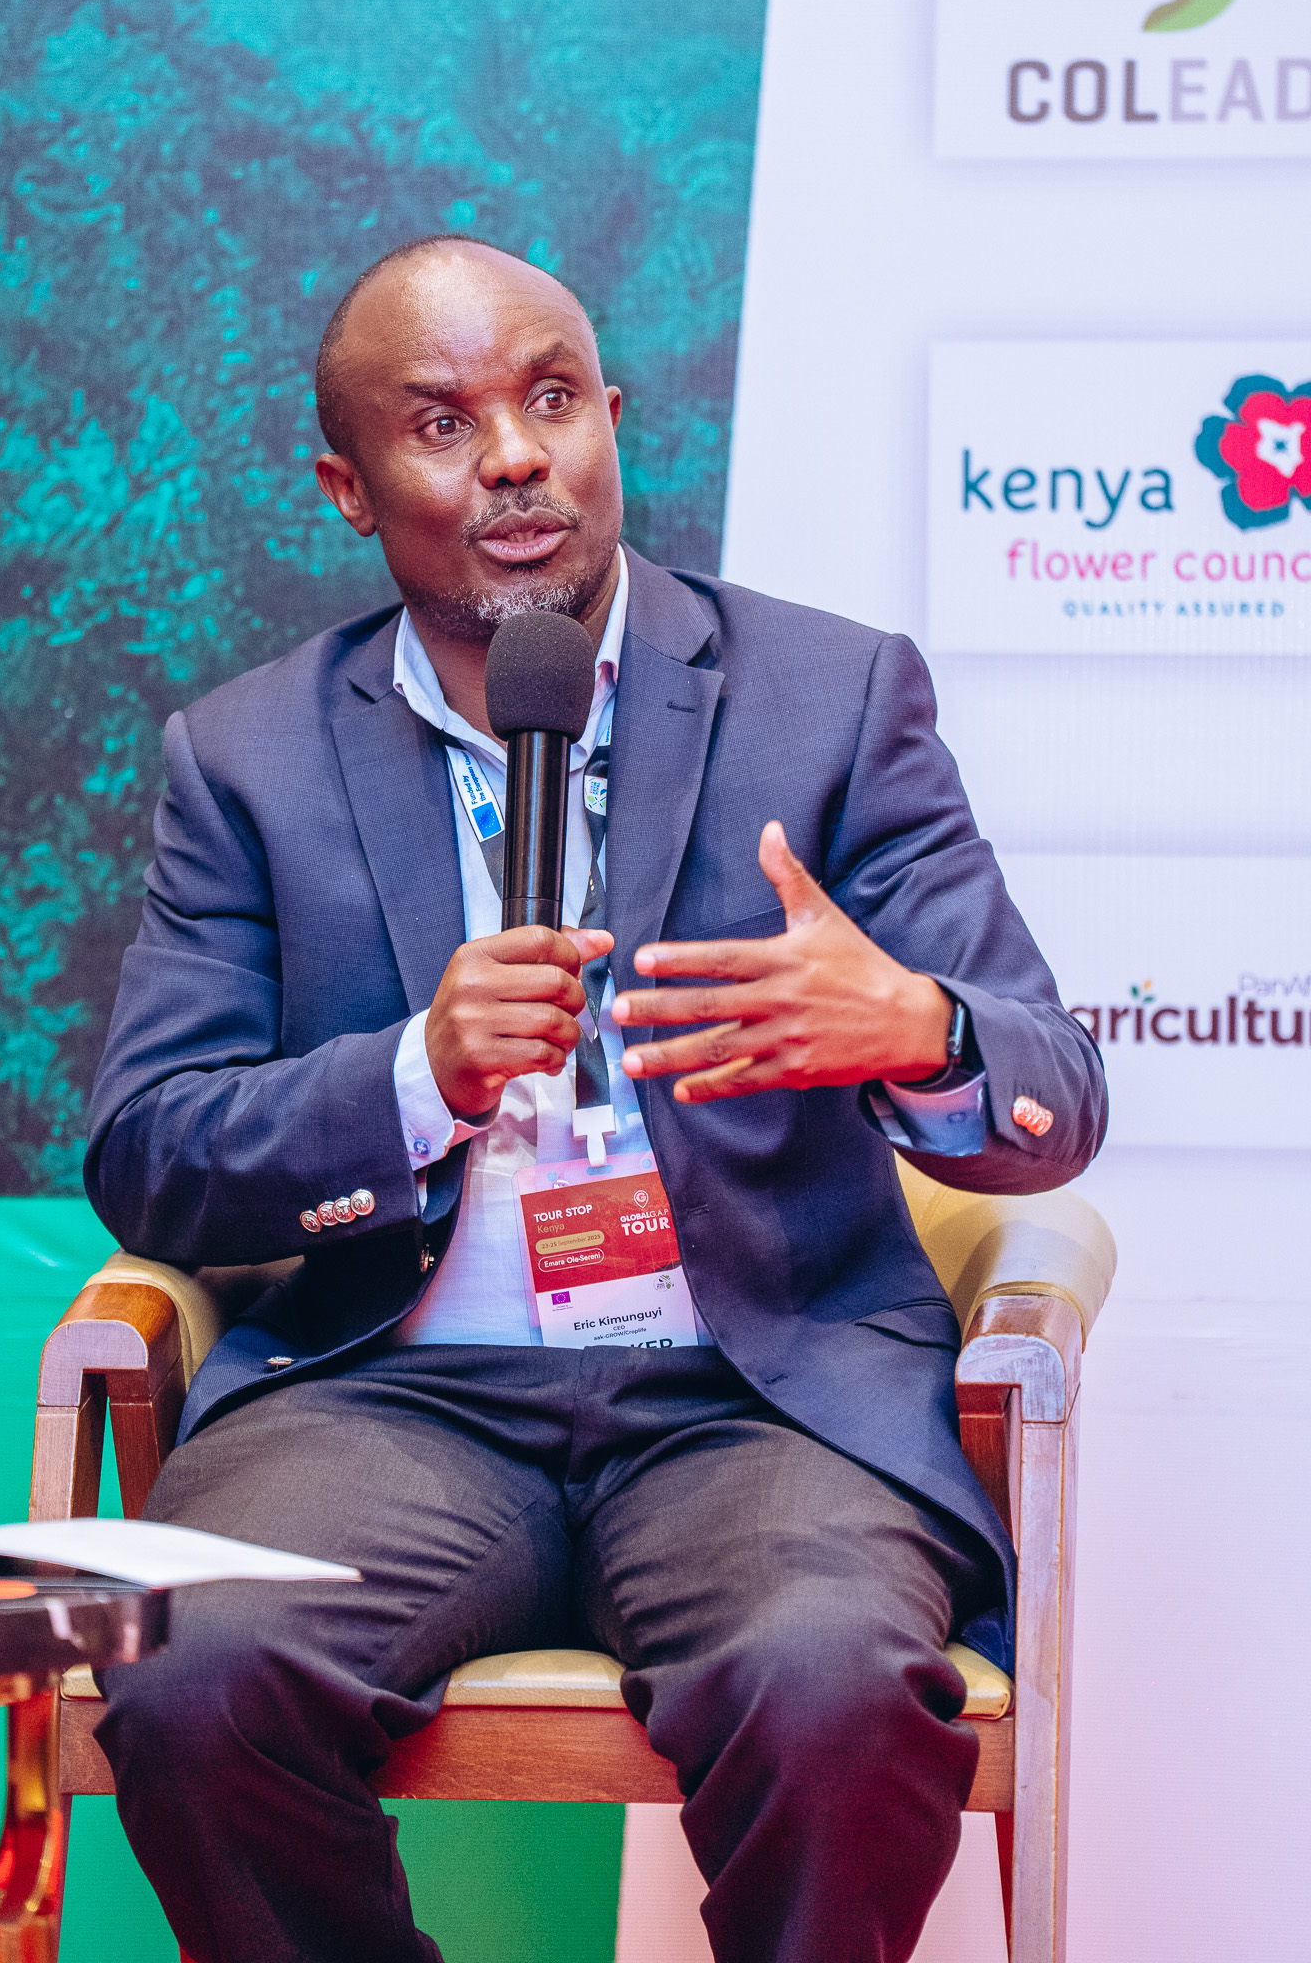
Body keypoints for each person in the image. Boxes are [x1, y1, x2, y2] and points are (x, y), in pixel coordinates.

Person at [87, 236, 1106, 1963]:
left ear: (613, 420)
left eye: (552, 399)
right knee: (192, 1668)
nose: (514, 456)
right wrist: (413, 1077)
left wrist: (916, 1025)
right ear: (348, 487)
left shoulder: (831, 700)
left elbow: (1053, 1097)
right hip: (389, 1399)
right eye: (443, 423)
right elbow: (151, 1154)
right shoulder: (247, 760)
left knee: (833, 1683)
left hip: (756, 1400)